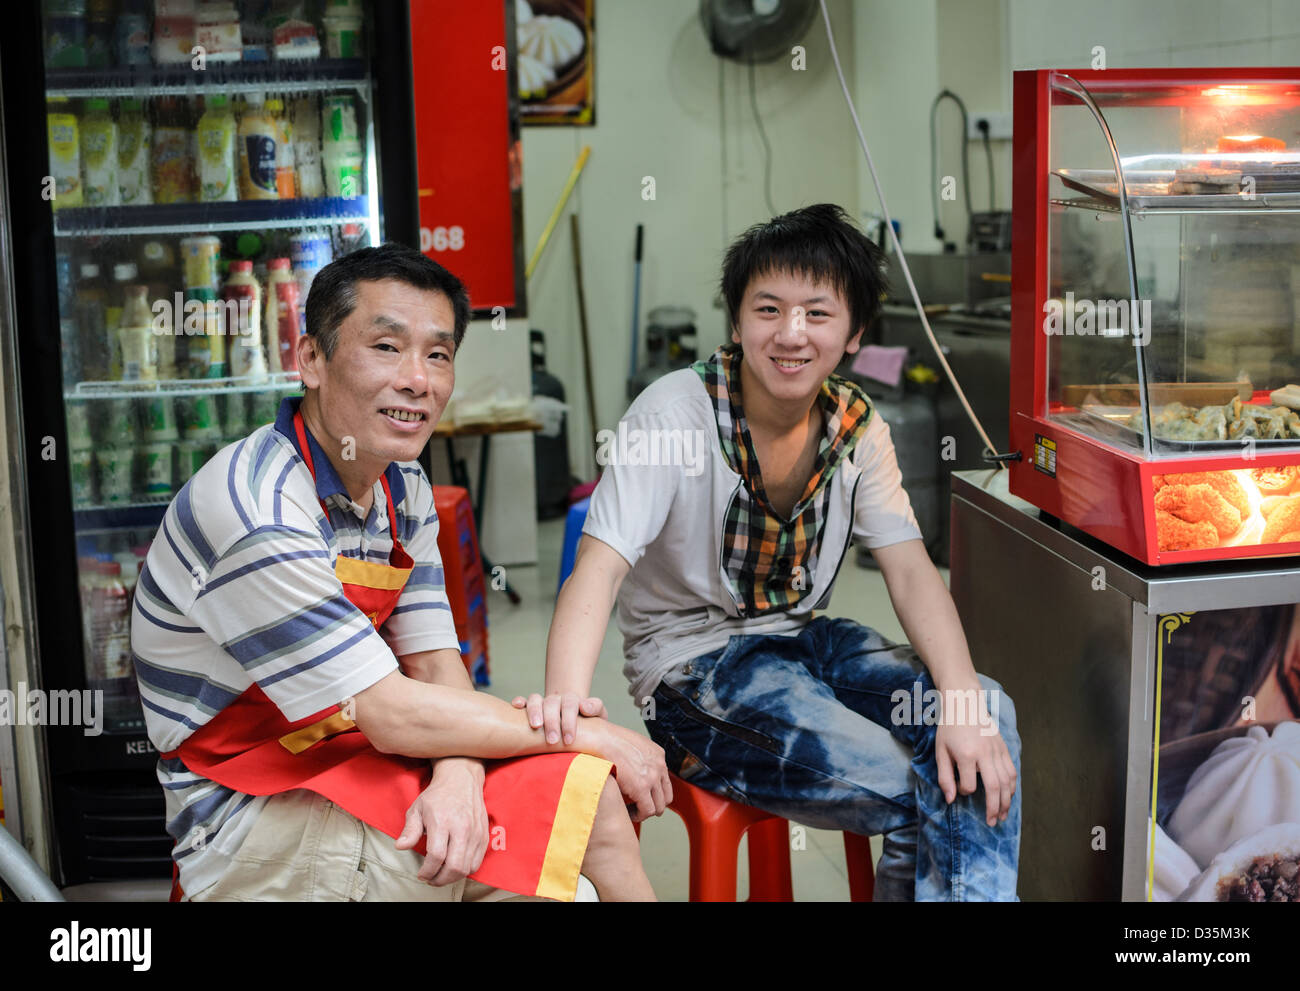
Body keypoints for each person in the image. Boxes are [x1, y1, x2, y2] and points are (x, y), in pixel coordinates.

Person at [131, 243, 667, 902]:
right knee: (581, 823)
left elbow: (437, 667)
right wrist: (587, 730)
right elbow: (389, 710)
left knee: (592, 808)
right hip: (249, 816)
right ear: (311, 361)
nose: (419, 378)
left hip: (351, 756)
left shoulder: (401, 486)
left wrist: (461, 774)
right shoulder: (258, 509)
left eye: (438, 354)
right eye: (386, 347)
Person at [516, 204, 1021, 900]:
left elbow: (909, 568)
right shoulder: (673, 415)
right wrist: (570, 715)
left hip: (806, 643)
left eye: (817, 312)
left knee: (983, 715)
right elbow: (596, 570)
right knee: (924, 778)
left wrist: (959, 698)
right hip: (694, 670)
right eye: (768, 309)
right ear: (736, 322)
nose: (791, 334)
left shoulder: (856, 427)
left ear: (854, 333)